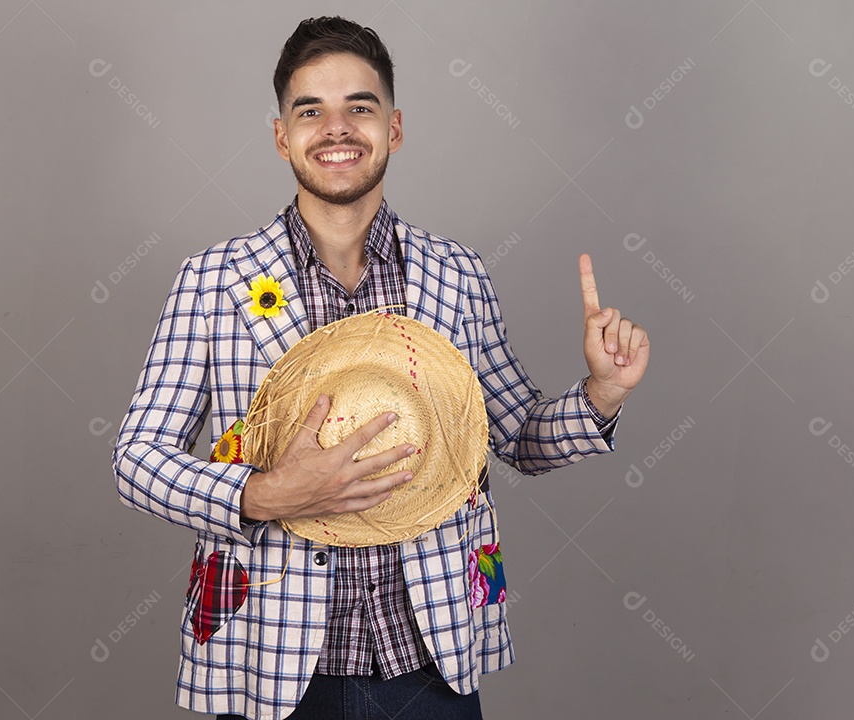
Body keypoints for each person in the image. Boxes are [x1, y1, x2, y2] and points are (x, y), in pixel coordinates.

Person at [113, 15, 649, 720]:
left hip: (430, 662)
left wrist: (602, 394)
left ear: (394, 128)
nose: (336, 129)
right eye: (311, 111)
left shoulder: (456, 275)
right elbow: (136, 460)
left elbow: (516, 438)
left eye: (358, 108)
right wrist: (266, 494)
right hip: (268, 667)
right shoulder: (214, 282)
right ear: (282, 137)